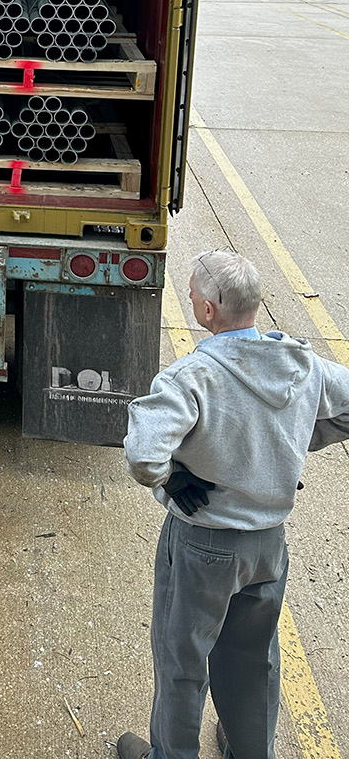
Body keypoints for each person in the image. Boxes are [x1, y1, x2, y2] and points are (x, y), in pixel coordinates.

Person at [117, 249, 349, 759]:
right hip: (268, 547)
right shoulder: (303, 366)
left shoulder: (192, 377)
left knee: (183, 662)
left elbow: (142, 453)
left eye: (196, 295)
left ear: (206, 311)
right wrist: (292, 443)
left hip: (204, 544)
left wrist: (171, 481)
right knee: (254, 658)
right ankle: (250, 750)